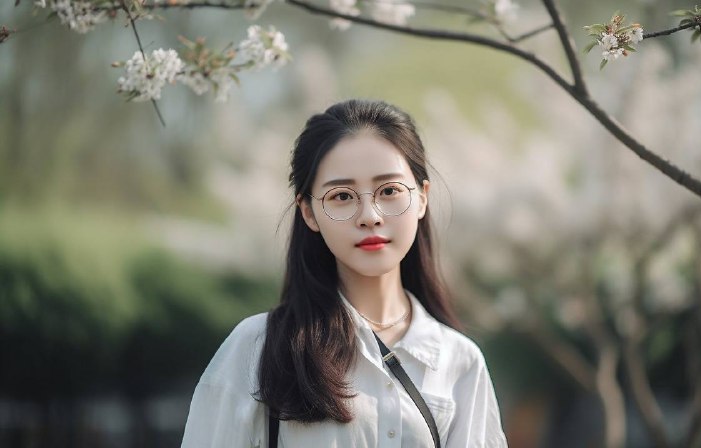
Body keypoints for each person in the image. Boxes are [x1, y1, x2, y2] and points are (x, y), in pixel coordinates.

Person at [180, 99, 508, 447]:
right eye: (341, 196)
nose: (369, 215)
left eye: (390, 191)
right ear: (308, 211)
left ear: (422, 198)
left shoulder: (459, 362)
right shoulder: (258, 347)